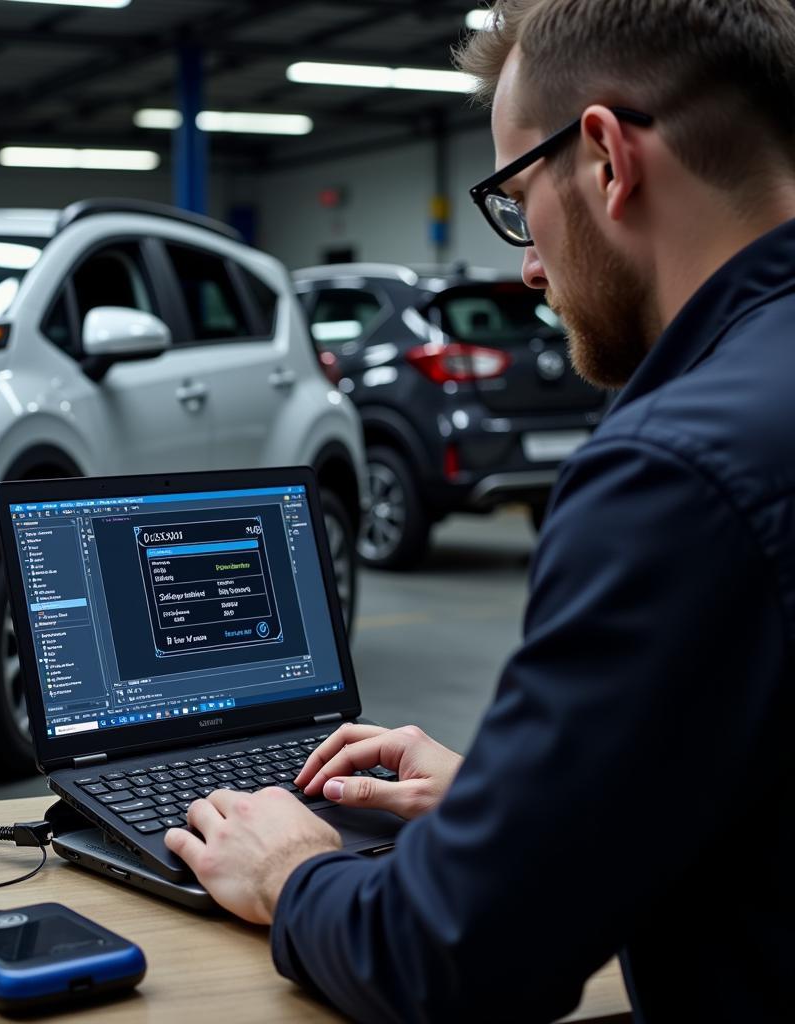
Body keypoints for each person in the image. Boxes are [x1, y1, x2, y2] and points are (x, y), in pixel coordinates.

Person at [165, 0, 795, 1019]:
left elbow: (459, 961)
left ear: (603, 158)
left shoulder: (674, 471)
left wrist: (293, 872)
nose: (527, 262)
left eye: (515, 198)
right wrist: (523, 807)